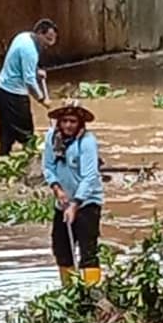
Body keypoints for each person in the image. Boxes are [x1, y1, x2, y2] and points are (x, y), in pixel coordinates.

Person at [42, 102, 104, 286]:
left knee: (88, 251)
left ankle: (90, 292)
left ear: (80, 123)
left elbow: (90, 176)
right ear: (59, 122)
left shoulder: (87, 142)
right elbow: (48, 167)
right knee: (61, 249)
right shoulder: (51, 138)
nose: (68, 125)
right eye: (65, 121)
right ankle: (68, 291)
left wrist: (75, 204)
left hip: (87, 203)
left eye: (73, 121)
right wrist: (57, 189)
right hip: (62, 202)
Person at [0, 18, 58, 156]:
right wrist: (42, 99)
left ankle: (3, 158)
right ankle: (31, 161)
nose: (49, 44)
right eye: (48, 39)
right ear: (40, 33)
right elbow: (29, 82)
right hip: (13, 94)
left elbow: (20, 65)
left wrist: (36, 72)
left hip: (0, 89)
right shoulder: (30, 51)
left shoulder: (23, 36)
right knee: (26, 133)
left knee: (6, 130)